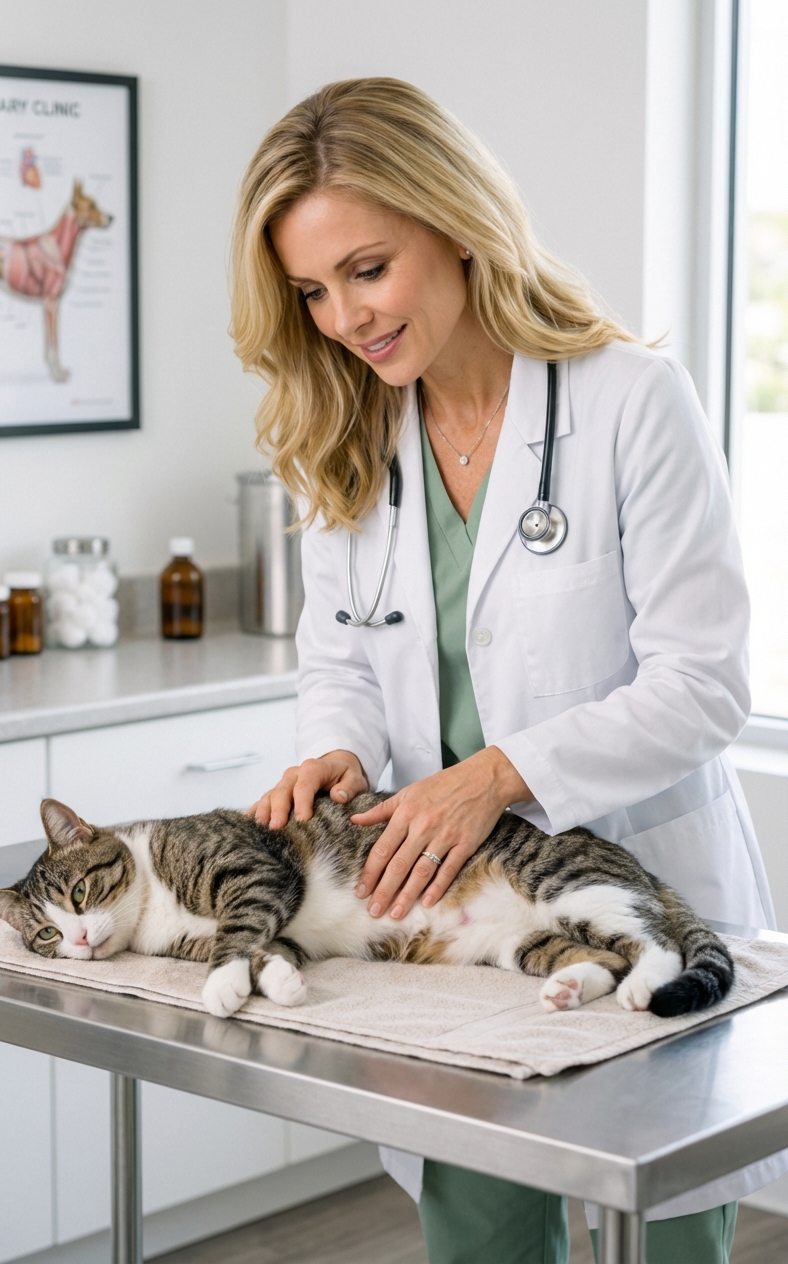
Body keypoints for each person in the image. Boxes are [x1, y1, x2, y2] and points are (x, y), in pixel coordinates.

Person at [230, 77, 781, 1264]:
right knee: (479, 1228)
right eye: (313, 292)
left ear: (456, 221)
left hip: (633, 887)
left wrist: (498, 775)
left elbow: (701, 684)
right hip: (457, 922)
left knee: (669, 1235)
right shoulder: (350, 437)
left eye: (367, 269)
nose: (343, 319)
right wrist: (334, 746)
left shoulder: (630, 400)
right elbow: (341, 657)